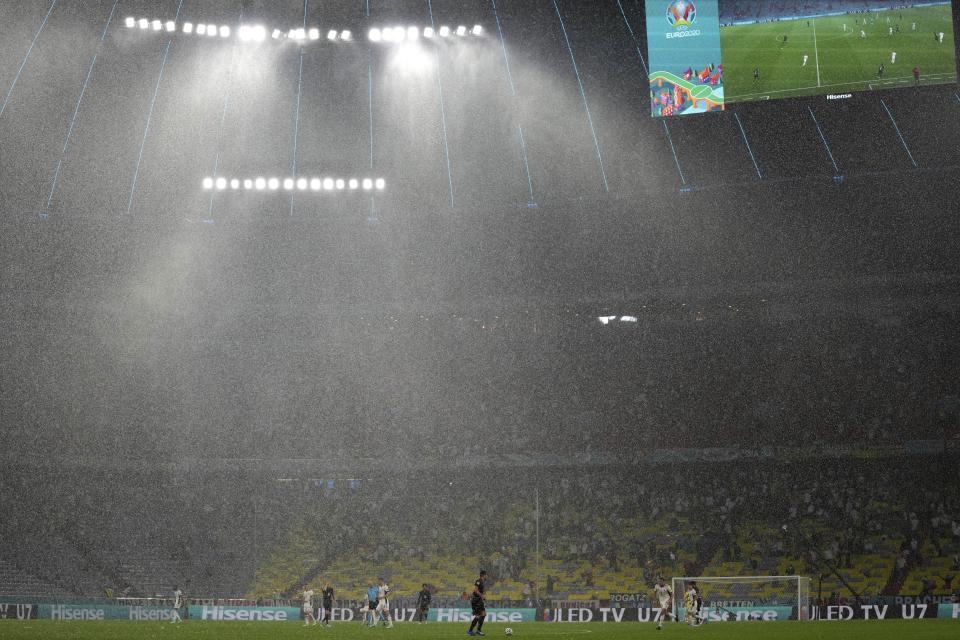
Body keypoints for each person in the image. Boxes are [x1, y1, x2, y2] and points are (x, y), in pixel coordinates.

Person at [467, 570, 488, 636]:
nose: (487, 576)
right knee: (478, 615)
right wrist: (482, 596)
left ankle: (478, 630)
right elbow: (475, 590)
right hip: (476, 600)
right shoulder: (478, 581)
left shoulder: (482, 582)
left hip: (479, 600)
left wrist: (483, 598)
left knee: (483, 614)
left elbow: (480, 591)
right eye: (486, 575)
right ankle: (470, 630)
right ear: (483, 575)